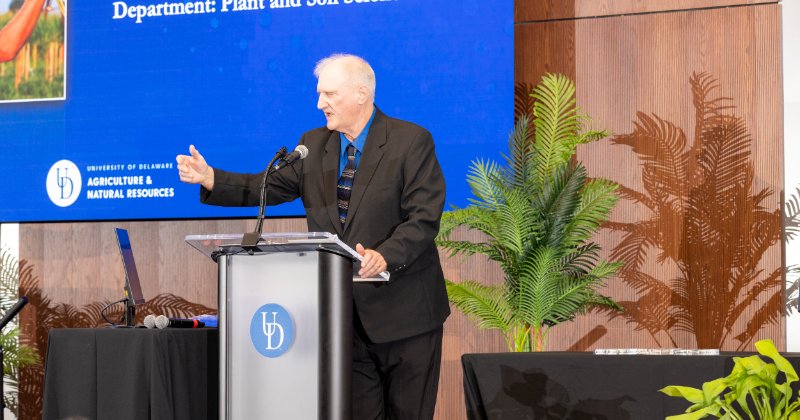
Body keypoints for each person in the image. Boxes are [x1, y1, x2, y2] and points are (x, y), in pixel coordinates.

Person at [176, 53, 450, 419]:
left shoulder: (410, 141)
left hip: (406, 316)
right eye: (320, 93)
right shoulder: (314, 144)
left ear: (361, 94)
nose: (320, 103)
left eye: (330, 94)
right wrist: (212, 179)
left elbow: (424, 218)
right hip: (343, 318)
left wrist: (385, 255)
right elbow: (265, 187)